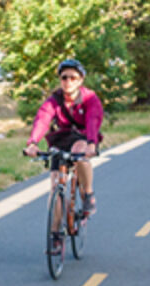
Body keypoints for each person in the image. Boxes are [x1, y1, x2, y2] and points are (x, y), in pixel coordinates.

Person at [22, 58, 103, 219]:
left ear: (80, 80)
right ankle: (56, 237)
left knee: (79, 151)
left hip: (83, 137)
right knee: (55, 188)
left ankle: (87, 193)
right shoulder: (55, 100)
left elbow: (92, 120)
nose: (68, 81)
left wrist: (92, 143)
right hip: (62, 138)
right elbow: (43, 119)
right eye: (64, 77)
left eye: (73, 77)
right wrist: (33, 143)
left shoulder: (89, 98)